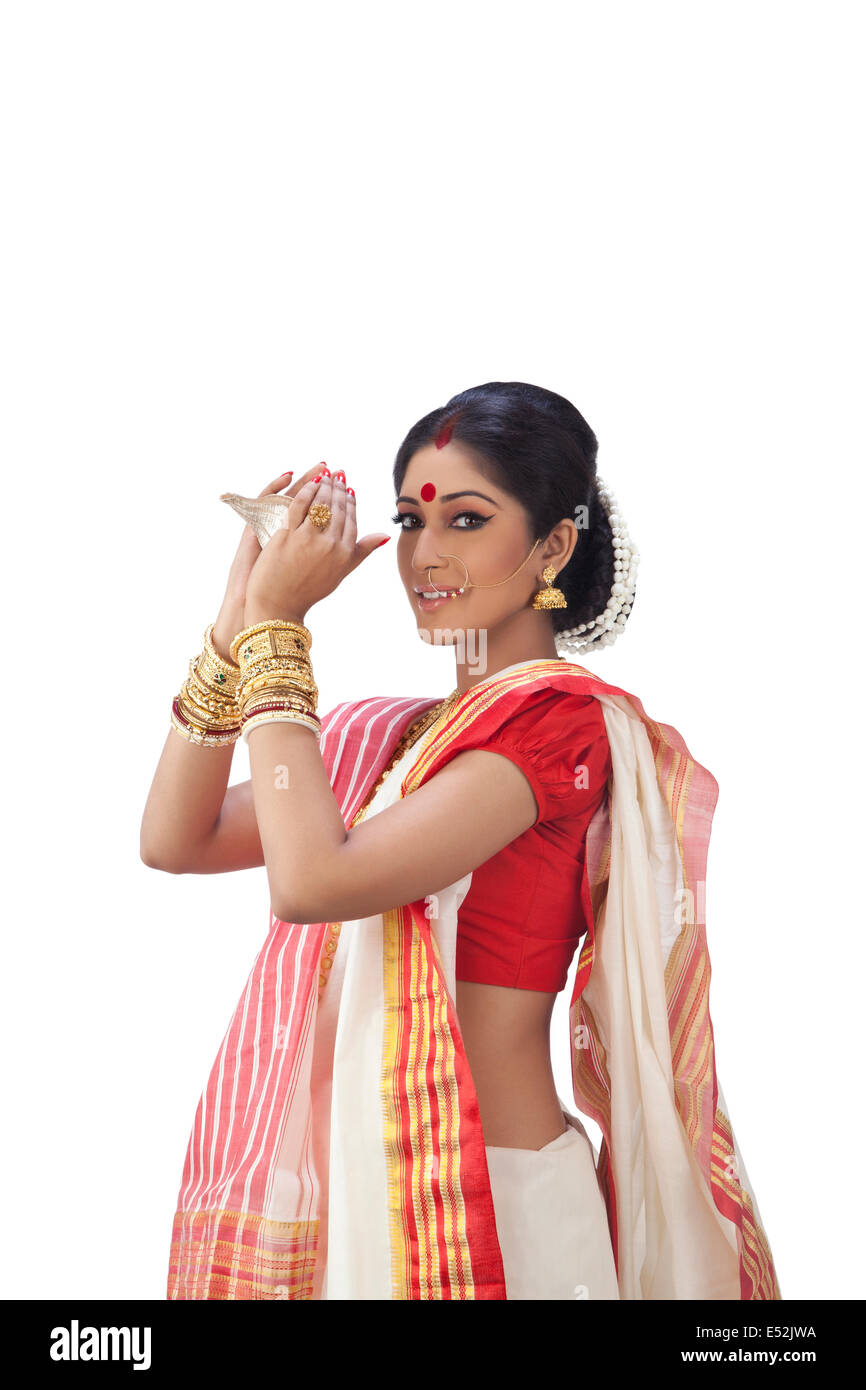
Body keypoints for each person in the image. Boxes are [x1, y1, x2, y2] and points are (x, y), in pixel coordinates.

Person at [141, 380, 780, 1300]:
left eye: (466, 521)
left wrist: (280, 640)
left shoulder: (556, 728)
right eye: (408, 521)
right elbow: (176, 837)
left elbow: (314, 881)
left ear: (553, 544)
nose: (423, 556)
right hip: (358, 1186)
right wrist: (236, 625)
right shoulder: (385, 737)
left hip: (495, 1204)